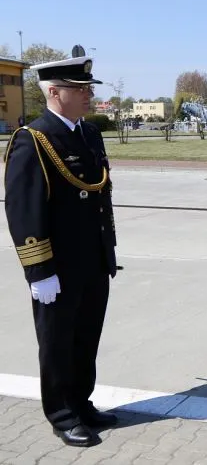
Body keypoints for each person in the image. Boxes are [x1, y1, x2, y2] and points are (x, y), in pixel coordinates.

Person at [4, 53, 118, 447]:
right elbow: (23, 209)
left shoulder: (90, 134)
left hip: (93, 260)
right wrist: (39, 270)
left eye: (88, 88)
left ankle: (82, 403)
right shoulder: (34, 139)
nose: (88, 95)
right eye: (80, 89)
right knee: (57, 342)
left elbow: (100, 199)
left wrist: (107, 251)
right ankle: (62, 413)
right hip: (58, 265)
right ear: (54, 92)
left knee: (86, 337)